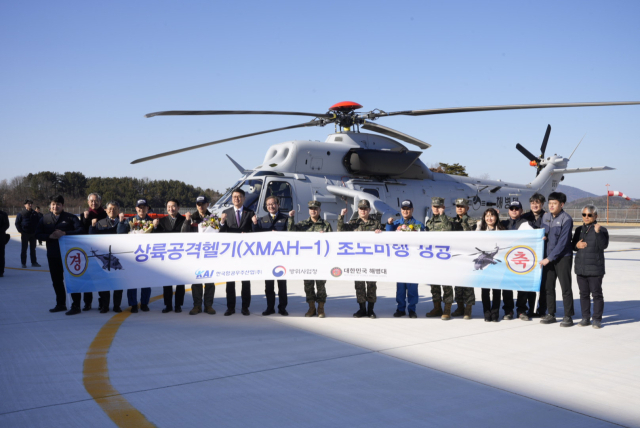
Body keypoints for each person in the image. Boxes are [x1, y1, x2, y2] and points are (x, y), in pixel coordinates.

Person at [35, 195, 84, 315]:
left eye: (58, 204)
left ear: (63, 205)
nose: (55, 206)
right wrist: (49, 236)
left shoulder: (70, 217)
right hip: (53, 255)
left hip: (69, 256)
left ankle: (76, 305)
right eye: (53, 204)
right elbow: (37, 234)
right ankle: (61, 304)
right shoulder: (44, 218)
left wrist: (65, 233)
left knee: (72, 280)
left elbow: (80, 230)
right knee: (56, 281)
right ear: (50, 205)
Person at [338, 200, 383, 319]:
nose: (363, 211)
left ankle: (371, 310)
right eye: (361, 208)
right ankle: (362, 309)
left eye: (365, 208)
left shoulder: (376, 223)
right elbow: (340, 231)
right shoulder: (353, 223)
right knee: (359, 285)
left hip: (371, 259)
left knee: (371, 285)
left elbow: (383, 238)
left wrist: (380, 233)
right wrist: (341, 216)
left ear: (369, 210)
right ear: (358, 210)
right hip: (357, 259)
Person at [289, 201, 332, 317]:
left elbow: (332, 242)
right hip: (307, 261)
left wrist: (325, 236)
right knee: (308, 285)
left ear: (320, 210)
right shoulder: (302, 224)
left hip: (320, 261)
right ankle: (311, 308)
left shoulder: (326, 225)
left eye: (315, 208)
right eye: (311, 208)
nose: (313, 210)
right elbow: (290, 233)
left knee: (321, 286)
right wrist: (291, 219)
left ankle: (321, 308)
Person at [539, 192, 574, 327]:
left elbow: (563, 242)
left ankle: (568, 316)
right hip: (548, 257)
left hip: (562, 257)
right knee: (549, 287)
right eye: (550, 203)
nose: (551, 206)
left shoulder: (566, 219)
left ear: (562, 204)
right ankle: (551, 314)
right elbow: (544, 233)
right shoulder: (546, 217)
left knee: (565, 287)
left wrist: (549, 258)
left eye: (554, 203)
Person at [572, 205, 609, 329]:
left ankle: (597, 319)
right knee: (583, 294)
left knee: (596, 294)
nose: (586, 217)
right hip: (581, 268)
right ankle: (585, 318)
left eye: (589, 215)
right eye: (584, 215)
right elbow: (572, 246)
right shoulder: (578, 230)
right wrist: (576, 245)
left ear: (595, 216)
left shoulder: (602, 230)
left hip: (595, 269)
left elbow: (603, 246)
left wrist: (598, 232)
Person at [252, 196, 290, 316]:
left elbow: (291, 234)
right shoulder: (262, 219)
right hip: (268, 258)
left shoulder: (286, 218)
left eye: (273, 204)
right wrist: (254, 224)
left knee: (282, 286)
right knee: (269, 285)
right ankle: (270, 307)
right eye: (268, 205)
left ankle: (282, 307)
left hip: (281, 257)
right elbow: (256, 235)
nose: (271, 206)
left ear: (278, 205)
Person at [386, 199, 424, 318]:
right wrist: (389, 224)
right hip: (400, 262)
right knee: (401, 288)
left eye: (408, 209)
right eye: (403, 209)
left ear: (412, 210)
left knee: (412, 288)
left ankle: (412, 309)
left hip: (413, 261)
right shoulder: (396, 224)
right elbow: (387, 235)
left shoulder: (419, 224)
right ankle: (400, 309)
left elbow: (425, 240)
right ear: (401, 210)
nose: (406, 211)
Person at [219, 188, 254, 316]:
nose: (236, 198)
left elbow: (255, 233)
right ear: (231, 198)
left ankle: (245, 307)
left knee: (245, 282)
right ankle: (230, 307)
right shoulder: (226, 213)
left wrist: (251, 230)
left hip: (245, 254)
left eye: (239, 196)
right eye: (234, 196)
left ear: (244, 198)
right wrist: (222, 222)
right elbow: (221, 234)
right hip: (231, 254)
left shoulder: (250, 213)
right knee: (230, 283)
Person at [117, 198, 155, 313]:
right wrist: (121, 221)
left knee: (146, 281)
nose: (141, 209)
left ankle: (144, 303)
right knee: (132, 281)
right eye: (139, 207)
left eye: (143, 207)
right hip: (133, 256)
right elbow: (119, 233)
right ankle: (133, 304)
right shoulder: (130, 220)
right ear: (136, 208)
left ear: (147, 208)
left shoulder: (152, 221)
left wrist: (156, 227)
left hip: (148, 257)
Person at [182, 195, 217, 315]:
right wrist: (187, 221)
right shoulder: (192, 218)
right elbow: (184, 233)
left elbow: (219, 234)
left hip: (209, 254)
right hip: (196, 254)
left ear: (207, 204)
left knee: (210, 281)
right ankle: (197, 305)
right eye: (198, 204)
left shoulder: (213, 218)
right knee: (196, 281)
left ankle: (208, 305)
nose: (200, 206)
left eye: (202, 203)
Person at [500, 200, 534, 321]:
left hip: (521, 259)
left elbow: (536, 237)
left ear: (521, 211)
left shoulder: (527, 224)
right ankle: (508, 310)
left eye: (517, 208)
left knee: (521, 286)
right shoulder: (503, 224)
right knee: (507, 287)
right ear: (509, 210)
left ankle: (521, 310)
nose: (514, 210)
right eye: (512, 208)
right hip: (507, 261)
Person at [89, 201, 123, 313]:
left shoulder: (123, 222)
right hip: (104, 257)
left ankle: (117, 305)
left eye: (114, 208)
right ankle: (105, 305)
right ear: (106, 210)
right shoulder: (100, 222)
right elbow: (91, 238)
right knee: (104, 283)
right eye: (109, 208)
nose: (112, 210)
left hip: (118, 257)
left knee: (118, 282)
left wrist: (122, 223)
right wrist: (92, 226)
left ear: (118, 210)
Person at [425, 197, 455, 320]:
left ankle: (447, 309)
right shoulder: (429, 222)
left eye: (439, 207)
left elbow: (448, 229)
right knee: (434, 285)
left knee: (446, 284)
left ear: (443, 207)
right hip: (433, 259)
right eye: (434, 207)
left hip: (444, 258)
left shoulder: (448, 220)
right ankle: (437, 307)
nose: (436, 209)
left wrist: (443, 215)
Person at [155, 199, 186, 313]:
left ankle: (178, 305)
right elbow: (155, 237)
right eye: (168, 207)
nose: (171, 209)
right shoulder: (161, 221)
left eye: (173, 206)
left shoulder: (184, 220)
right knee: (167, 283)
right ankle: (168, 305)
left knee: (180, 282)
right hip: (167, 256)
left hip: (181, 256)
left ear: (178, 208)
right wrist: (154, 227)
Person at [77, 193, 106, 311]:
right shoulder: (84, 214)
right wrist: (85, 219)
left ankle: (102, 302)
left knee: (102, 279)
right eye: (91, 201)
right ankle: (87, 303)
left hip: (102, 251)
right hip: (87, 251)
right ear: (88, 202)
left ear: (100, 201)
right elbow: (81, 231)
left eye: (96, 201)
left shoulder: (105, 214)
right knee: (88, 279)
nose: (94, 203)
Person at [477, 208, 505, 322]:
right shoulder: (480, 230)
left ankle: (495, 313)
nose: (489, 218)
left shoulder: (502, 230)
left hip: (497, 265)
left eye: (492, 215)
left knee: (497, 290)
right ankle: (486, 312)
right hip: (485, 265)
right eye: (487, 216)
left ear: (496, 217)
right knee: (485, 290)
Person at [450, 198, 477, 320]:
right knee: (458, 284)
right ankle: (460, 307)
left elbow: (470, 234)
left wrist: (464, 222)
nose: (459, 208)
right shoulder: (452, 221)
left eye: (462, 206)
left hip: (468, 257)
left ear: (467, 208)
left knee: (468, 284)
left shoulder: (472, 221)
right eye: (458, 206)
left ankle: (468, 309)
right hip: (456, 257)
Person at [522, 192, 547, 317]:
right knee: (530, 284)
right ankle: (529, 310)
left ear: (542, 204)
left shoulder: (548, 217)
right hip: (529, 255)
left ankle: (542, 310)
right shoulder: (525, 217)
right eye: (532, 203)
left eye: (537, 203)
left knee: (544, 285)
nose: (534, 205)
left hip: (544, 255)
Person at [15, 199, 41, 268]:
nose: (30, 205)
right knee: (24, 249)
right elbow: (17, 223)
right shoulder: (21, 213)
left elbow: (38, 222)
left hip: (33, 234)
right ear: (25, 205)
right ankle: (23, 263)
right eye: (29, 204)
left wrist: (37, 231)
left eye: (31, 204)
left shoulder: (35, 213)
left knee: (33, 249)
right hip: (25, 233)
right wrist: (21, 231)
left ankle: (34, 262)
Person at [0, 209, 9, 277]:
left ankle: (1, 271)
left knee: (1, 255)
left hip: (1, 237)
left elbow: (6, 224)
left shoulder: (3, 214)